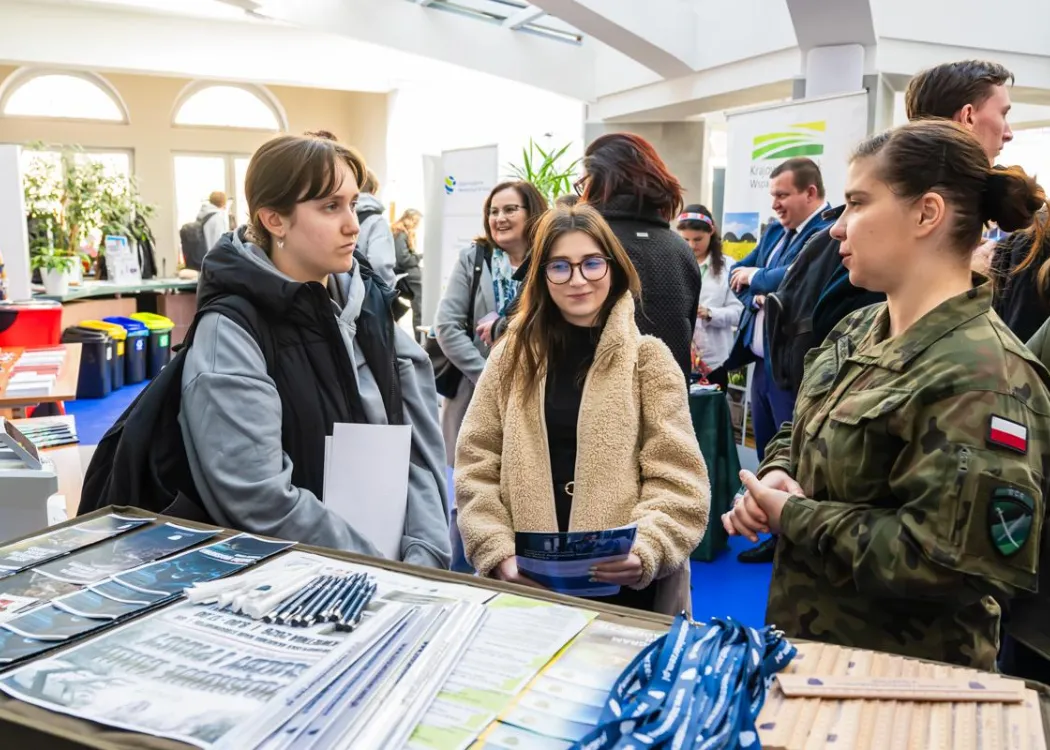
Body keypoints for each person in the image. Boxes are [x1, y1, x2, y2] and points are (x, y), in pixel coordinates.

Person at [722, 120, 1050, 671]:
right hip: (812, 654)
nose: (836, 229)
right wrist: (777, 469)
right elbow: (807, 425)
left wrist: (794, 517)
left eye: (857, 204)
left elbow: (952, 563)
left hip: (907, 680)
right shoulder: (859, 328)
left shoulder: (986, 374)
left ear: (926, 214)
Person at [178, 133, 451, 568]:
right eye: (330, 207)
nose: (353, 224)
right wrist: (381, 568)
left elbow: (415, 449)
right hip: (299, 591)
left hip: (396, 575)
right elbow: (260, 496)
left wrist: (424, 553)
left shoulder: (370, 309)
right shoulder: (231, 333)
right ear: (274, 220)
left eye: (352, 203)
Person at [455, 204, 710, 614]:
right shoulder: (511, 359)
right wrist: (496, 549)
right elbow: (476, 463)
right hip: (524, 586)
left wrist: (648, 547)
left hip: (624, 592)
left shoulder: (649, 361)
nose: (578, 280)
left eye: (592, 263)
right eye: (560, 267)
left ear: (613, 267)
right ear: (541, 275)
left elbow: (679, 480)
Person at [722, 158, 833, 563]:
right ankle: (771, 532)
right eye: (773, 196)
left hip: (792, 367)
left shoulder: (825, 235)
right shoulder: (775, 233)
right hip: (762, 365)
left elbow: (795, 283)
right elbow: (737, 271)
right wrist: (757, 286)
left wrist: (759, 279)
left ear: (811, 193)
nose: (776, 205)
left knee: (795, 456)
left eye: (783, 195)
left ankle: (790, 538)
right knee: (771, 453)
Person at [434, 180, 548, 467]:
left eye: (510, 209)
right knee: (470, 482)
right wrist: (487, 375)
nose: (499, 218)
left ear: (531, 212)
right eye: (493, 211)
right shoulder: (473, 258)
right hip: (474, 391)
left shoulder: (549, 261)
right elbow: (447, 326)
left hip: (535, 389)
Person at [577, 132, 701, 380]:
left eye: (585, 180)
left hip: (593, 407)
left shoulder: (580, 242)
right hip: (668, 407)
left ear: (601, 181)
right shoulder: (681, 250)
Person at [676, 204, 742, 390]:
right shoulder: (674, 263)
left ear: (711, 231)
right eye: (685, 239)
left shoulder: (728, 267)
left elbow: (739, 312)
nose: (691, 245)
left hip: (714, 361)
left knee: (710, 414)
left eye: (698, 239)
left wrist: (710, 313)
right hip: (678, 357)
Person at [354, 169, 397, 287]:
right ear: (372, 190)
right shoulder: (377, 221)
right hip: (366, 292)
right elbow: (380, 263)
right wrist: (387, 291)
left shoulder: (335, 214)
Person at [392, 208, 424, 332]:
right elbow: (404, 259)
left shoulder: (400, 233)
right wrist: (419, 256)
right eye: (416, 221)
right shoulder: (401, 234)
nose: (417, 225)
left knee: (419, 310)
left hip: (410, 276)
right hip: (410, 277)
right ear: (410, 220)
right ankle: (421, 341)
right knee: (419, 311)